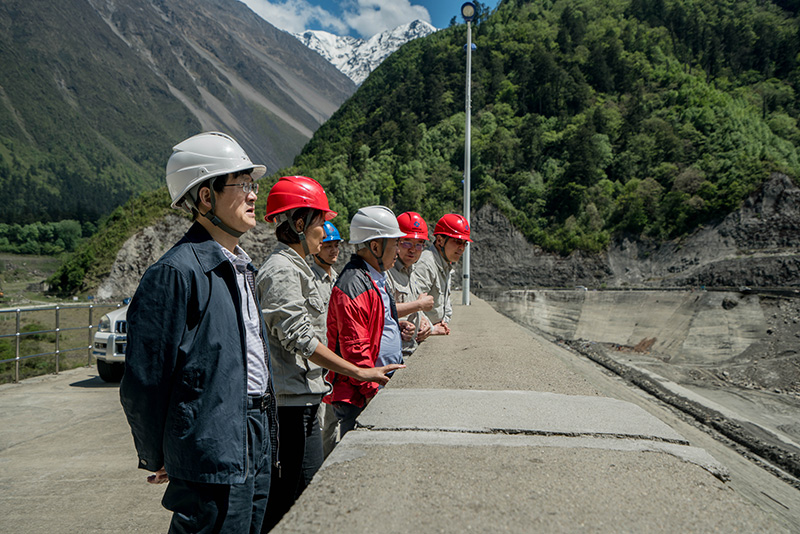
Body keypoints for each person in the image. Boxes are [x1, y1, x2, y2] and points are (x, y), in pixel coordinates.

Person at [119, 131, 277, 533]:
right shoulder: (175, 273)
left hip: (254, 434)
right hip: (212, 445)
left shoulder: (241, 267)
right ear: (206, 196)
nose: (253, 195)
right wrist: (157, 452)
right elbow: (145, 379)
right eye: (242, 185)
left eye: (253, 185)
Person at [256, 180, 402, 532]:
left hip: (304, 397)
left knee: (304, 496)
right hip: (290, 405)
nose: (324, 233)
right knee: (288, 503)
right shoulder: (281, 270)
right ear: (299, 224)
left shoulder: (297, 266)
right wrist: (359, 372)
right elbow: (300, 338)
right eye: (320, 223)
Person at [324, 205, 412, 437]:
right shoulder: (353, 284)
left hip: (375, 385)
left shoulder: (374, 276)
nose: (398, 250)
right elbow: (355, 348)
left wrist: (393, 326)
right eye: (395, 244)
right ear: (375, 246)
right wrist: (373, 391)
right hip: (360, 395)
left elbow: (371, 321)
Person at [410, 213, 472, 335]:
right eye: (457, 241)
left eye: (465, 243)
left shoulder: (444, 263)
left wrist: (444, 321)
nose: (461, 248)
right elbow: (413, 305)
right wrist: (432, 329)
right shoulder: (427, 263)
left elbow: (445, 302)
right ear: (440, 240)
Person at [310, 221, 342, 457]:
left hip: (337, 363)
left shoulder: (338, 279)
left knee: (332, 423)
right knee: (320, 426)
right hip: (318, 365)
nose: (333, 250)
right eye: (327, 245)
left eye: (336, 245)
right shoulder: (309, 280)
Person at [386, 212, 434, 357]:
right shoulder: (387, 272)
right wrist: (419, 305)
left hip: (411, 350)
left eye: (418, 245)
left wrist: (423, 321)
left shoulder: (411, 271)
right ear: (395, 242)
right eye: (407, 242)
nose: (412, 250)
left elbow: (412, 304)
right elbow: (383, 310)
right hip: (395, 354)